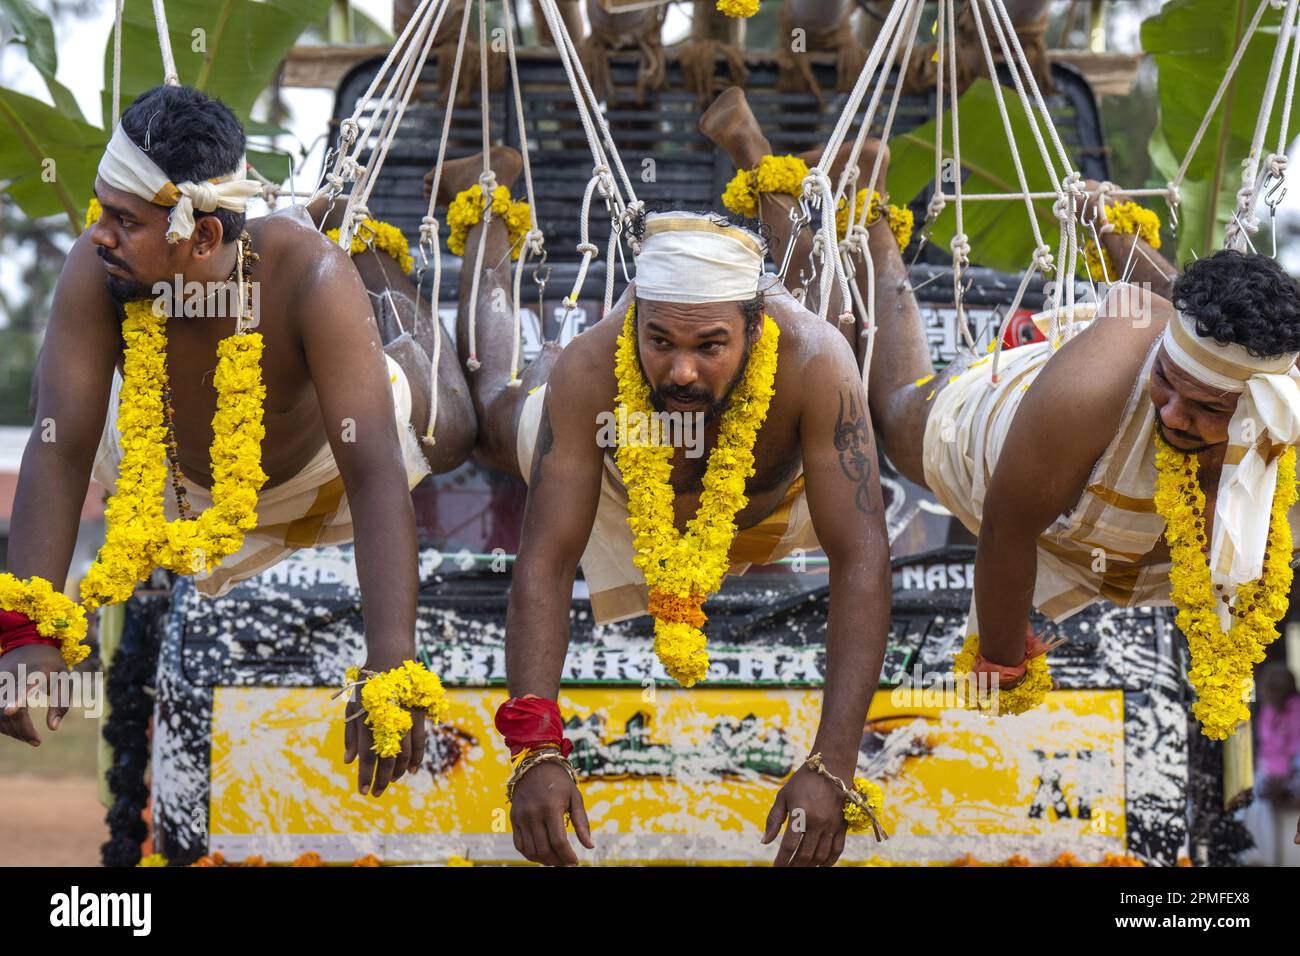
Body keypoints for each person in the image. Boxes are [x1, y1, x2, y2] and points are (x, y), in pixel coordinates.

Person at [0, 84, 475, 798]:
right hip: (162, 476)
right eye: (102, 211)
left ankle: (369, 241)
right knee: (53, 397)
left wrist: (391, 668)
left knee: (453, 427)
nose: (98, 233)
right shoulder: (97, 269)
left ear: (205, 236)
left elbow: (375, 476)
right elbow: (60, 447)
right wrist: (25, 629)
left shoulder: (309, 275)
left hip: (318, 480)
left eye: (123, 220)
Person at [431, 141, 892, 866]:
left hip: (776, 507)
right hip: (615, 496)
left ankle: (766, 166)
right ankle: (487, 206)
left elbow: (861, 558)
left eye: (710, 345)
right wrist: (534, 748)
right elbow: (547, 562)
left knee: (865, 363)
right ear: (636, 320)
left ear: (755, 326)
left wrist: (835, 762)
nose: (681, 370)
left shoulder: (813, 358)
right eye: (660, 342)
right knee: (490, 415)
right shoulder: (594, 361)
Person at [862, 160, 1300, 729]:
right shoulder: (1090, 391)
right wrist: (1000, 661)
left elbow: (1177, 308)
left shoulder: (1280, 414)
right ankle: (868, 213)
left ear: (1262, 407)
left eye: (1207, 408)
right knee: (897, 421)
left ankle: (1113, 227)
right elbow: (1006, 527)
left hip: (1128, 548)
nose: (1172, 414)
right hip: (1001, 444)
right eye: (1165, 381)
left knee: (1151, 311)